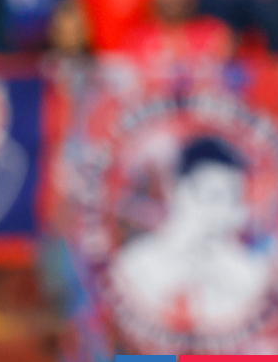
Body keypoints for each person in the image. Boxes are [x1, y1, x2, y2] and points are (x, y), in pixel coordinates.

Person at [110, 137, 268, 335]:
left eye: (232, 201)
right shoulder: (133, 268)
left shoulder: (250, 278)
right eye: (213, 197)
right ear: (176, 191)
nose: (221, 214)